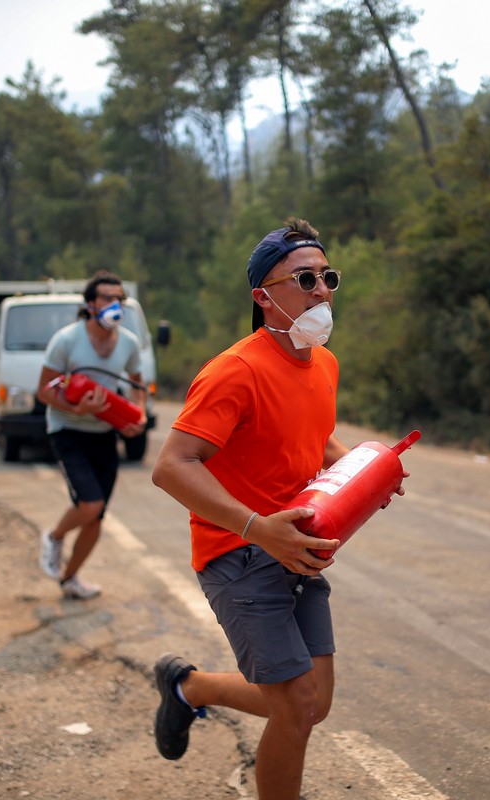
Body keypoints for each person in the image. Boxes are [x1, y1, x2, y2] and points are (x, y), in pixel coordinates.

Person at [150, 218, 405, 800]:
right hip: (239, 553)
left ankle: (189, 688)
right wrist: (257, 528)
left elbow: (313, 442)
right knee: (294, 705)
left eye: (327, 277)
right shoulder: (234, 371)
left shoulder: (324, 365)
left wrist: (367, 474)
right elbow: (172, 465)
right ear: (263, 296)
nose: (322, 290)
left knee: (313, 701)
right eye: (305, 278)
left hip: (300, 550)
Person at [34, 271, 146, 600]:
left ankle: (69, 578)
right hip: (67, 430)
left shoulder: (128, 342)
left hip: (103, 433)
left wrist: (137, 415)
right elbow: (43, 391)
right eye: (108, 299)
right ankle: (54, 538)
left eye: (119, 299)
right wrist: (78, 410)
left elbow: (139, 384)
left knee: (96, 516)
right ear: (90, 305)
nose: (116, 305)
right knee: (90, 503)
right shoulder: (67, 340)